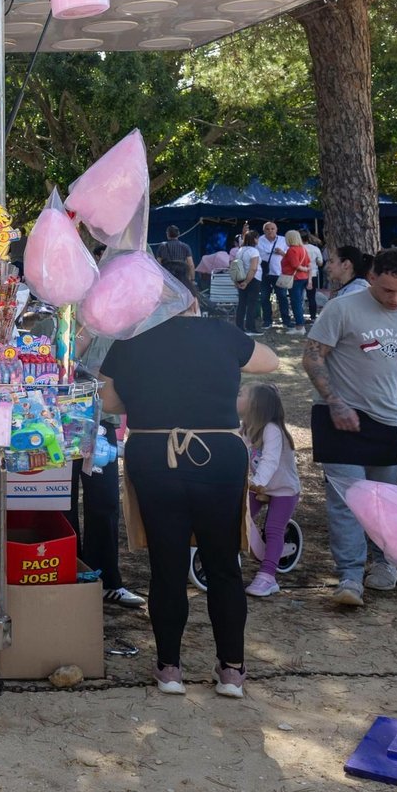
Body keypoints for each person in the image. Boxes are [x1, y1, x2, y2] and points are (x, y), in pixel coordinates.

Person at [99, 269, 280, 699]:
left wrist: (149, 398)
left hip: (153, 454)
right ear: (193, 300)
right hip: (219, 454)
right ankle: (232, 670)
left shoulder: (128, 342)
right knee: (223, 565)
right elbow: (270, 361)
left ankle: (169, 668)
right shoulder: (219, 331)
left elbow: (108, 400)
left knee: (167, 565)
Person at [303, 247, 397, 605]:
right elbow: (312, 355)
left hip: (389, 418)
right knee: (346, 500)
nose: (395, 298)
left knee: (384, 501)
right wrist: (335, 402)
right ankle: (349, 577)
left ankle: (383, 563)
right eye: (387, 289)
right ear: (372, 278)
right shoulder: (343, 308)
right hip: (338, 416)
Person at [70, 326, 145, 608]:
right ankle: (69, 575)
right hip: (58, 421)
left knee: (104, 502)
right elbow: (49, 367)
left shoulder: (120, 328)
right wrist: (81, 336)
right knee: (62, 502)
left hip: (102, 424)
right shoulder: (54, 320)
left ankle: (108, 582)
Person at [239, 383, 301, 597]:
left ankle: (267, 577)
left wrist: (257, 482)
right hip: (258, 485)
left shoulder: (272, 430)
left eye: (241, 395)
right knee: (237, 516)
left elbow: (270, 460)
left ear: (255, 405)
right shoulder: (246, 428)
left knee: (274, 529)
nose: (236, 398)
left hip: (283, 488)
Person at [255, 222, 291, 332]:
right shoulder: (259, 240)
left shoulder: (283, 240)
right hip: (264, 273)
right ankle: (267, 320)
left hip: (279, 272)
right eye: (267, 229)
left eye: (272, 229)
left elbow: (291, 256)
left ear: (276, 229)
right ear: (264, 230)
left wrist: (282, 253)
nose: (270, 231)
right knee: (265, 298)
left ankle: (286, 320)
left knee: (282, 297)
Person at [279, 230, 312, 334]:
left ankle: (299, 326)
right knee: (299, 301)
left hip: (295, 278)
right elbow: (309, 264)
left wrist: (304, 269)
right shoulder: (302, 249)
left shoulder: (292, 250)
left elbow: (295, 265)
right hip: (303, 278)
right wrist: (309, 277)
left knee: (296, 302)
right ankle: (300, 324)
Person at [231, 230, 263, 336]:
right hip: (252, 279)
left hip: (240, 277)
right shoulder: (254, 251)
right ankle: (251, 327)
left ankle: (239, 326)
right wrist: (247, 282)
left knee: (242, 303)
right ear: (254, 239)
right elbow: (253, 268)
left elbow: (235, 266)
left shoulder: (239, 250)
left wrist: (237, 281)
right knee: (252, 304)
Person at [303, 232, 325, 321]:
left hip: (299, 275)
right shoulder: (315, 249)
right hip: (313, 274)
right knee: (311, 297)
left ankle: (299, 317)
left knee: (298, 297)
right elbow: (320, 263)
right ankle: (312, 316)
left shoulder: (296, 249)